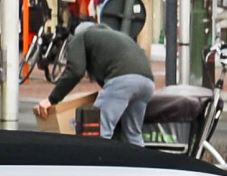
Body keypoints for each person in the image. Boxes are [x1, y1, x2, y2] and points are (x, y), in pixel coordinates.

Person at [40, 15, 155, 145]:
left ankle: (98, 163)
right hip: (147, 81)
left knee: (99, 131)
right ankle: (141, 163)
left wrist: (52, 99)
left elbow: (75, 71)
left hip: (123, 80)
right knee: (133, 135)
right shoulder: (112, 35)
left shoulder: (81, 36)